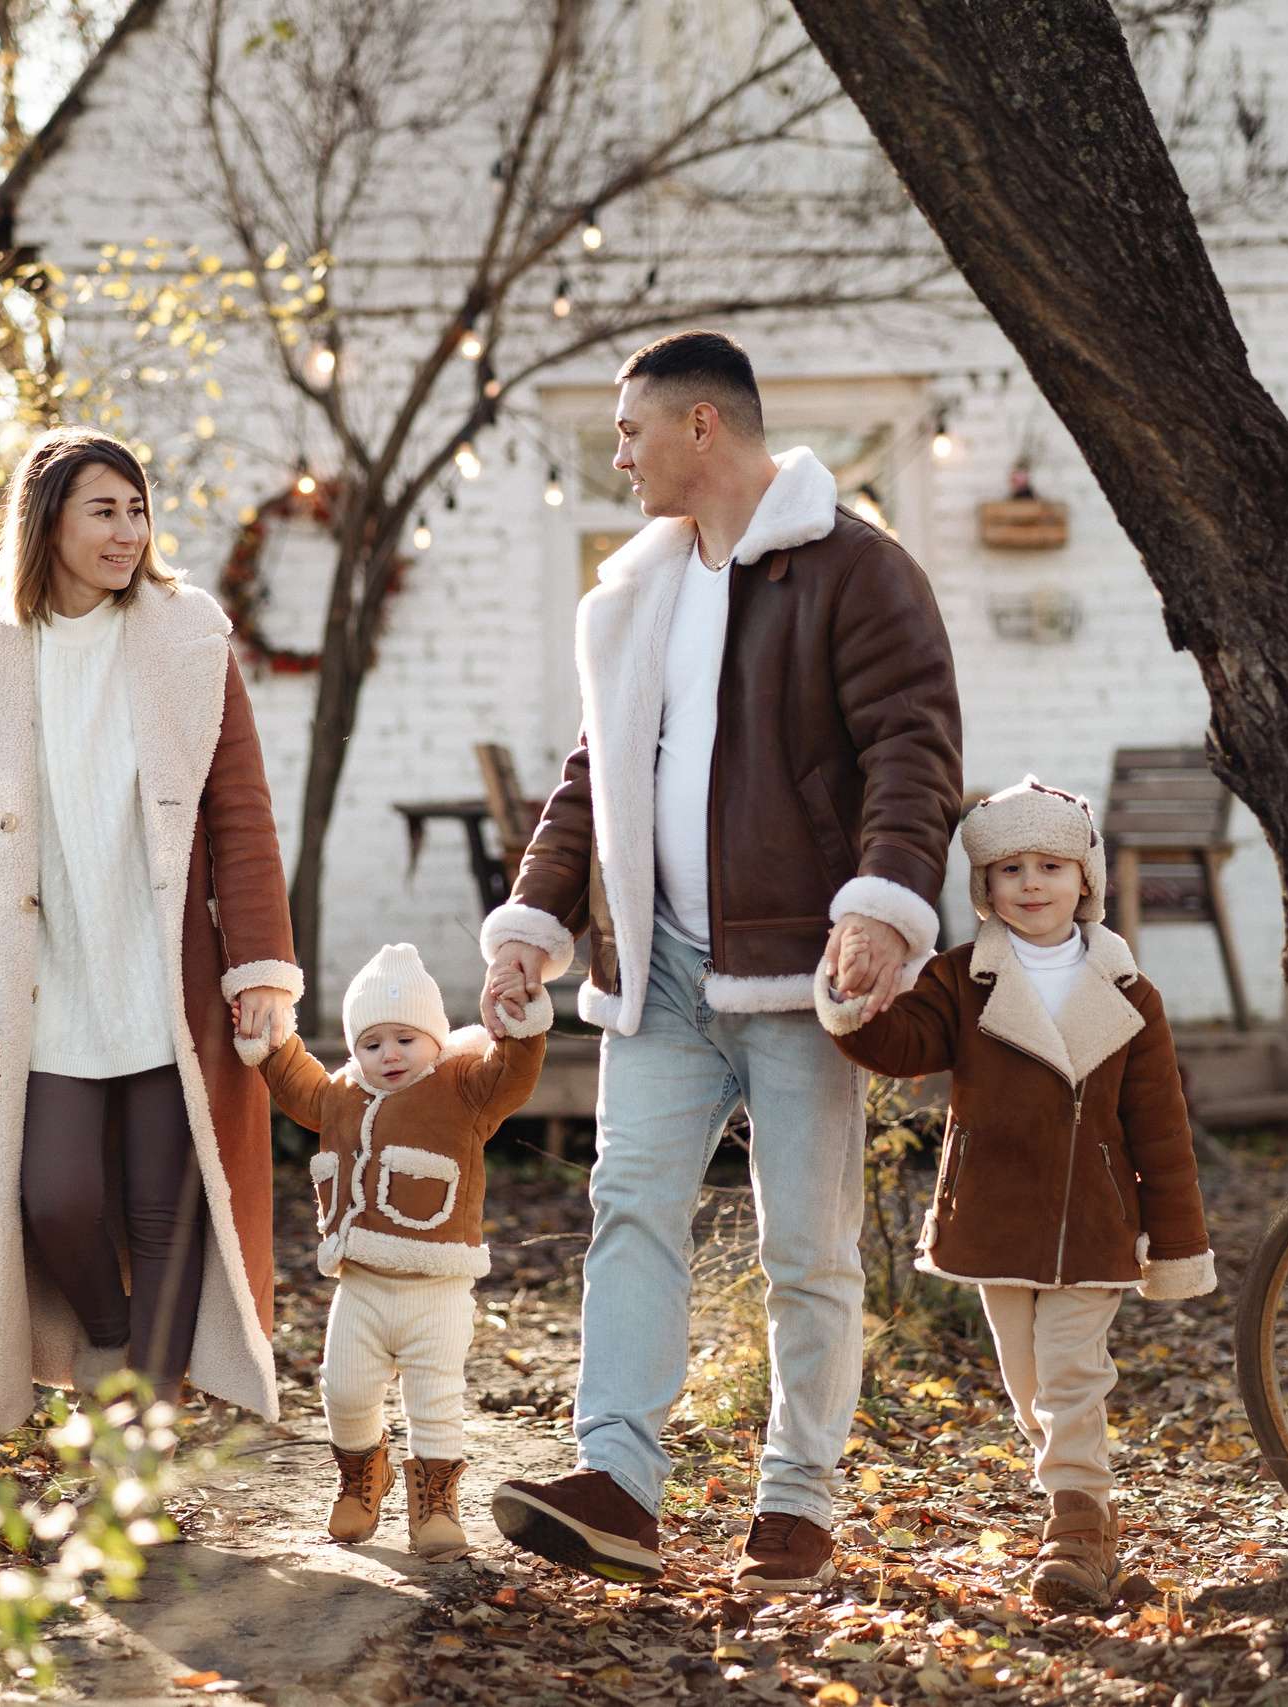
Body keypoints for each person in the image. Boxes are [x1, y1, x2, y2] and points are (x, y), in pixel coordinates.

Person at [478, 330, 963, 1589]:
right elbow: (590, 780)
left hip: (805, 979)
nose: (619, 454)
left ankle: (798, 1499)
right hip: (662, 977)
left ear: (705, 428)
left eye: (632, 431)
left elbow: (913, 744)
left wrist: (883, 902)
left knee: (808, 1250)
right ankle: (619, 1486)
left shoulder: (856, 568)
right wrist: (533, 922)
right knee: (629, 1213)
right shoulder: (632, 588)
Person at [0, 426, 304, 1438]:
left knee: (164, 1208)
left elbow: (241, 812)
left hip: (166, 975)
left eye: (136, 510)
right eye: (102, 510)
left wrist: (259, 965)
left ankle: (141, 1428)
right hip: (44, 975)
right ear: (47, 522)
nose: (126, 531)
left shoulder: (189, 641)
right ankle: (113, 1353)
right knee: (49, 1196)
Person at [814, 777, 1215, 1612]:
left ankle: (1079, 1522)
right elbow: (907, 1043)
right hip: (996, 1213)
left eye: (1051, 865)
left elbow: (1161, 1129)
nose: (1031, 884)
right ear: (985, 888)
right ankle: (1074, 1489)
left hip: (1096, 1222)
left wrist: (1176, 1241)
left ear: (1085, 880)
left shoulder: (1131, 993)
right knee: (1029, 1381)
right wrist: (856, 1005)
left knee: (1073, 1372)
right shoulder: (964, 980)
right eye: (1009, 869)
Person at [256, 943, 552, 1558]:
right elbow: (296, 1086)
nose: (388, 1055)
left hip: (437, 1291)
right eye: (371, 1043)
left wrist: (520, 1029)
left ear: (436, 1040)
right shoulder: (340, 1094)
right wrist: (274, 1045)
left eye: (405, 1039)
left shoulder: (464, 1088)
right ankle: (363, 1475)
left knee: (435, 1399)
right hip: (360, 1286)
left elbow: (514, 1076)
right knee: (343, 1391)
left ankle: (436, 1502)